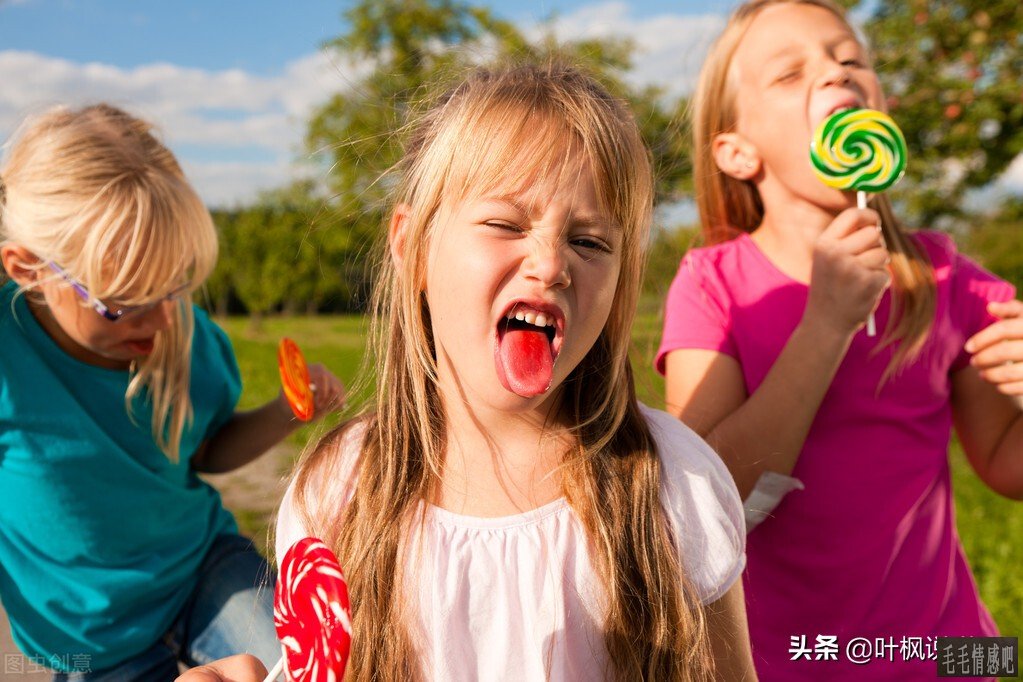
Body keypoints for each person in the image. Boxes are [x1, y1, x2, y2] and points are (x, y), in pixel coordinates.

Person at [179, 62, 756, 682]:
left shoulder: (674, 482)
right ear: (413, 249)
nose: (551, 264)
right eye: (506, 224)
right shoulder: (337, 491)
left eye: (590, 242)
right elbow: (315, 663)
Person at [657, 1, 1023, 679]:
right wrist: (823, 325)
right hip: (775, 661)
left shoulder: (948, 283)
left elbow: (1006, 464)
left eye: (850, 60)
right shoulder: (713, 286)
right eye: (790, 74)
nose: (835, 73)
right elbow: (702, 503)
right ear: (737, 151)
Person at [0, 104, 345, 681]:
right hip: (84, 641)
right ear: (28, 268)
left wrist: (286, 411)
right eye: (125, 301)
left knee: (308, 670)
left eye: (175, 287)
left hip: (202, 571)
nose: (161, 320)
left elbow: (207, 450)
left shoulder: (186, 338)